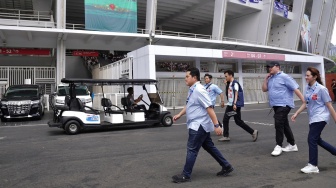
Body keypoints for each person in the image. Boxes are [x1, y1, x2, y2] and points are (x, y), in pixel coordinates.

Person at [172, 67, 233, 183]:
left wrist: (216, 125)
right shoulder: (192, 89)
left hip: (198, 125)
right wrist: (180, 114)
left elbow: (209, 108)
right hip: (199, 125)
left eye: (187, 76)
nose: (185, 79)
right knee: (209, 147)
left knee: (192, 149)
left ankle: (186, 175)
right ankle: (226, 166)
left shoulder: (199, 90)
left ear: (194, 77)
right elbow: (189, 105)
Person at [291, 67, 336, 174]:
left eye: (308, 75)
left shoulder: (321, 89)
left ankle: (313, 165)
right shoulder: (307, 88)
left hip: (321, 117)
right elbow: (305, 103)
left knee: (311, 139)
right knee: (317, 139)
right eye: (305, 75)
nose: (306, 77)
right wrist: (296, 113)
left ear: (315, 77)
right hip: (312, 118)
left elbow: (329, 106)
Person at [262, 61, 305, 156]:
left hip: (284, 104)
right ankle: (292, 144)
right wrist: (265, 79)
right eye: (268, 67)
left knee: (278, 123)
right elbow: (264, 89)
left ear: (277, 67)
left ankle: (278, 145)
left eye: (271, 67)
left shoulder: (285, 77)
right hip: (276, 105)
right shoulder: (271, 78)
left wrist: (304, 101)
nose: (269, 68)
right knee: (284, 125)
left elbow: (295, 88)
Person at [218, 70, 258, 142]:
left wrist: (235, 104)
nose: (225, 77)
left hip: (234, 106)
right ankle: (252, 132)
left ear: (231, 75)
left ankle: (226, 136)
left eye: (226, 76)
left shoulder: (235, 83)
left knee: (226, 119)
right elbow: (230, 93)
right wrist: (226, 84)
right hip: (230, 105)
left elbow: (236, 93)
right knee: (237, 121)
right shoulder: (230, 83)